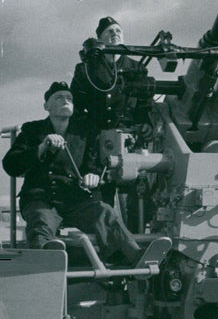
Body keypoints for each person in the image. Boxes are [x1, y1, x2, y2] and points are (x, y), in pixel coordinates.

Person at [2, 81, 169, 266]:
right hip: (41, 198)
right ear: (46, 106)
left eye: (69, 98)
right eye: (59, 97)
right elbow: (10, 165)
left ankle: (134, 256)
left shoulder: (85, 132)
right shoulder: (31, 131)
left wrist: (93, 175)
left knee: (105, 212)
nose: (65, 100)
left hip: (74, 199)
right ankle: (47, 259)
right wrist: (41, 147)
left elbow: (94, 164)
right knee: (41, 220)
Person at [70, 16, 148, 134]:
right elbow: (76, 104)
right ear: (99, 39)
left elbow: (145, 103)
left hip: (128, 133)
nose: (115, 33)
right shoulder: (85, 69)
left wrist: (144, 124)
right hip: (95, 133)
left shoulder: (137, 68)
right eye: (110, 31)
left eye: (118, 30)